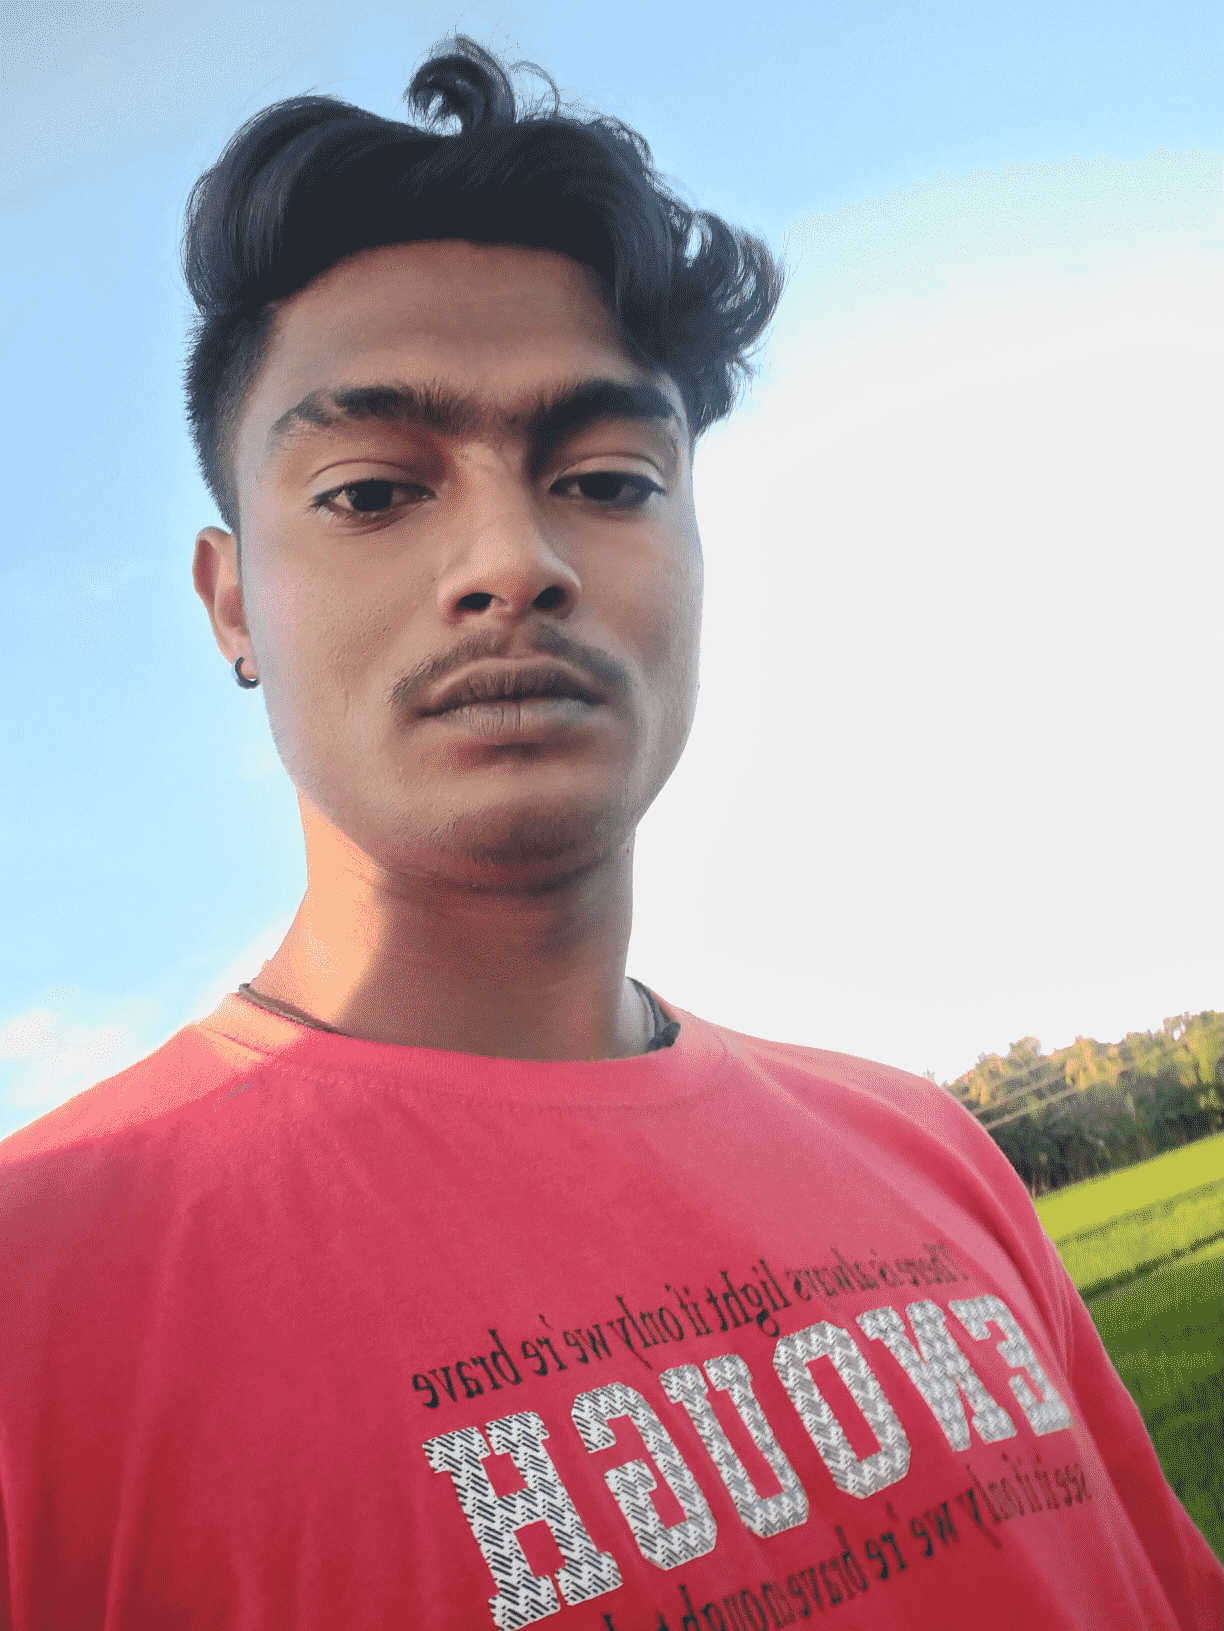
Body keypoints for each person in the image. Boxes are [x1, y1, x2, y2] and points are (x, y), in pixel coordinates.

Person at [1, 34, 1218, 1631]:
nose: (512, 559)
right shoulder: (37, 1306)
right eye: (372, 490)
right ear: (233, 604)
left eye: (608, 478)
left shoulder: (934, 1151)